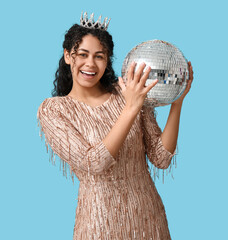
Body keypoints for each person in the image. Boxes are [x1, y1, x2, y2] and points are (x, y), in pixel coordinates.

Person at [37, 12, 193, 240]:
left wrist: (176, 100)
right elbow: (94, 163)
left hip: (149, 219)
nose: (90, 63)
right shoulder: (54, 110)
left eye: (99, 56)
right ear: (68, 56)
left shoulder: (127, 92)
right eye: (83, 54)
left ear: (107, 60)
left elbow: (161, 157)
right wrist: (130, 108)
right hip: (100, 224)